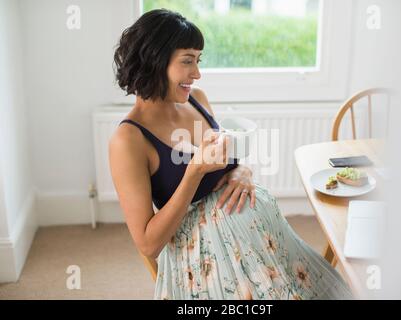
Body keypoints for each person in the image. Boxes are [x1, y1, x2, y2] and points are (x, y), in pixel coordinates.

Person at [109, 9, 353, 300]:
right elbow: (148, 244)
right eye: (187, 61)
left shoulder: (197, 100)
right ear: (154, 60)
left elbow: (226, 163)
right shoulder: (128, 140)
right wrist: (194, 171)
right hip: (208, 258)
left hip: (262, 239)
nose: (197, 74)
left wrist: (241, 171)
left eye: (198, 61)